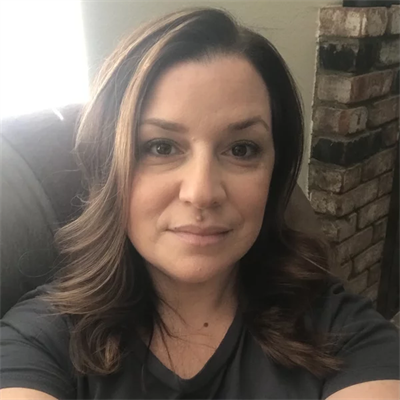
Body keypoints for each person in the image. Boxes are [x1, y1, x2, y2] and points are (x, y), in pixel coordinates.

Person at [0, 7, 399, 400]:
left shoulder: (345, 332)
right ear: (109, 166)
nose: (202, 192)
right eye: (161, 147)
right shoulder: (41, 340)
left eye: (241, 149)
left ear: (275, 174)